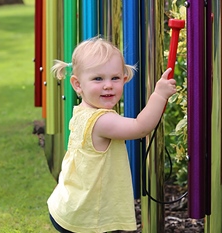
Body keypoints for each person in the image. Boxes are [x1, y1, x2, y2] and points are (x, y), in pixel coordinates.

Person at [47, 36, 177, 233]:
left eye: (115, 78)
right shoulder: (101, 121)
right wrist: (159, 95)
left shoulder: (82, 110)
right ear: (78, 85)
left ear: (124, 79)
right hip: (86, 217)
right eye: (98, 78)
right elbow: (140, 127)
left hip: (70, 205)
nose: (108, 85)